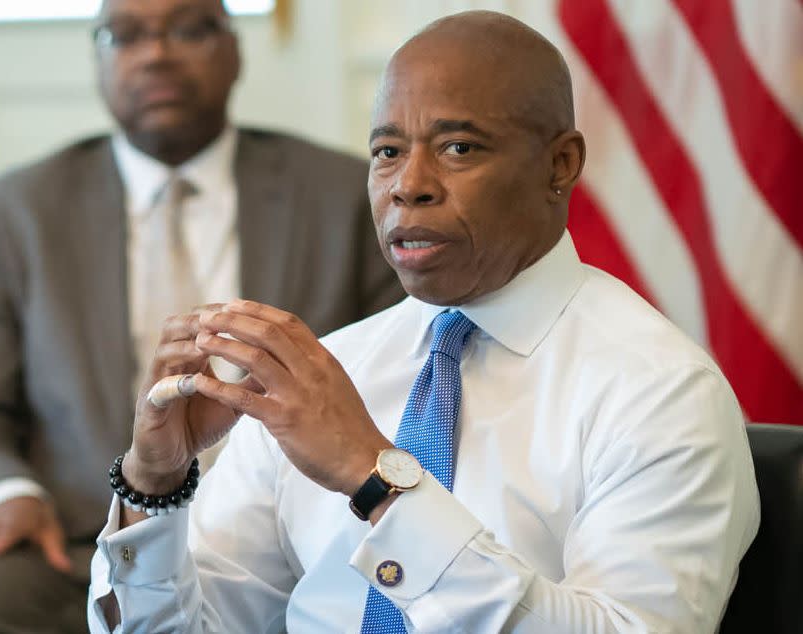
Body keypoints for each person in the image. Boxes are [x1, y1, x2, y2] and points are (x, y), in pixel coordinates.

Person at [87, 10, 759, 633]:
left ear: (560, 165)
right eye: (386, 152)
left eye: (459, 148)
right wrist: (155, 485)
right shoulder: (325, 373)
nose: (408, 184)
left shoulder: (659, 391)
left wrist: (372, 478)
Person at [0, 0, 403, 631]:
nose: (156, 53)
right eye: (125, 35)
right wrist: (9, 493)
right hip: (82, 537)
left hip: (291, 536)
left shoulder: (342, 196)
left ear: (235, 49)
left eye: (188, 28)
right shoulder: (13, 212)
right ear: (97, 57)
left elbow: (401, 373)